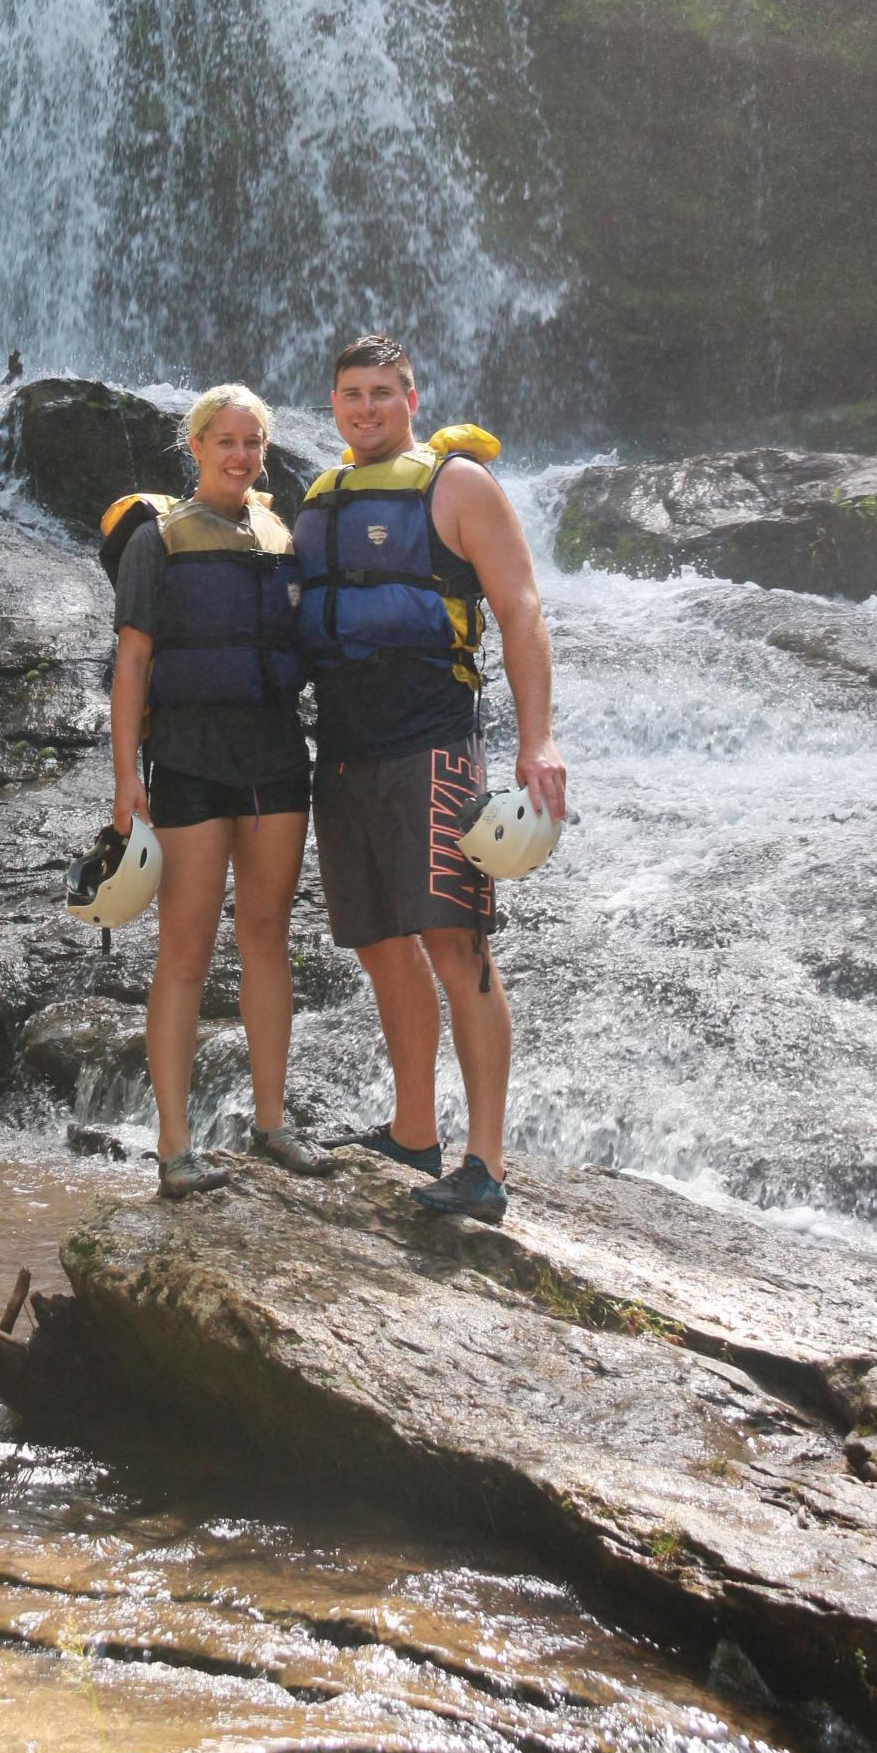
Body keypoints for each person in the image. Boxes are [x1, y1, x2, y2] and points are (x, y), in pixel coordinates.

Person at [290, 333, 567, 1222]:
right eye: (350, 394)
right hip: (341, 753)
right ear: (332, 404)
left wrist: (538, 742)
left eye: (382, 391)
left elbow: (521, 609)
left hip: (434, 748)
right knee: (379, 945)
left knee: (457, 946)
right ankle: (414, 1131)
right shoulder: (318, 500)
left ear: (413, 398)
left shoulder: (458, 486)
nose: (365, 407)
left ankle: (483, 1164)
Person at [108, 384, 335, 1198]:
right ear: (195, 447)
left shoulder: (284, 535)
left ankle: (271, 1124)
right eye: (224, 441)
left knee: (268, 936)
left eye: (252, 444)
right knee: (186, 952)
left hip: (276, 761)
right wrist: (126, 779)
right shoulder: (156, 542)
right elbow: (133, 663)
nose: (240, 456)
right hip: (192, 763)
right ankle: (175, 1149)